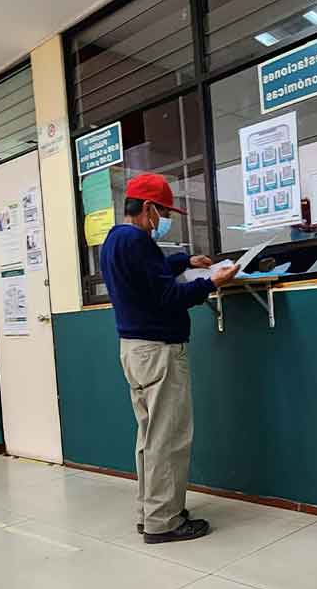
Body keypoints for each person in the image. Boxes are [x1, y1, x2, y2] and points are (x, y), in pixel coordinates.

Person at [100, 173, 239, 544]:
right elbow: (167, 297)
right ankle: (165, 521)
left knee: (149, 437)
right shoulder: (138, 242)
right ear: (148, 209)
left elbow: (148, 278)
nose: (165, 219)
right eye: (163, 212)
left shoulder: (115, 240)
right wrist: (212, 283)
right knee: (169, 438)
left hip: (133, 350)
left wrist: (183, 261)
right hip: (158, 352)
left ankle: (151, 512)